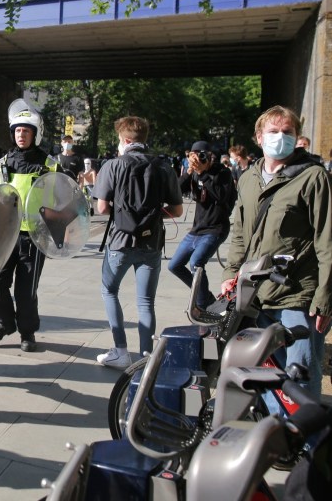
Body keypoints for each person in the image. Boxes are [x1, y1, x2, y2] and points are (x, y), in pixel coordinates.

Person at [221, 105, 331, 406]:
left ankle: (307, 447)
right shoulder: (248, 178)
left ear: (297, 137)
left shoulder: (313, 177)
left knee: (300, 378)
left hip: (297, 296)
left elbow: (327, 241)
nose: (280, 137)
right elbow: (241, 233)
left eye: (287, 132)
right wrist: (230, 274)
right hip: (255, 295)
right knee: (263, 378)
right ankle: (276, 444)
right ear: (259, 137)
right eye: (273, 131)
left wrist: (324, 298)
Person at [92, 116, 183, 369]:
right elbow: (177, 211)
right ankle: (145, 358)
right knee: (146, 302)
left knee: (109, 291)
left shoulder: (113, 165)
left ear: (126, 140)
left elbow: (101, 208)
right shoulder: (164, 167)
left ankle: (120, 350)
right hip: (151, 242)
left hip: (119, 242)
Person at [0, 100, 57, 351]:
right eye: (17, 130)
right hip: (5, 236)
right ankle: (4, 322)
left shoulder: (49, 165)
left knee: (26, 291)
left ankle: (27, 333)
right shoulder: (2, 163)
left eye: (26, 130)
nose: (21, 134)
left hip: (34, 237)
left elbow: (59, 202)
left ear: (35, 134)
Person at [167, 141, 236, 309]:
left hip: (215, 228)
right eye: (195, 155)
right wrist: (189, 171)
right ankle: (204, 296)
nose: (200, 159)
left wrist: (203, 174)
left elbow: (221, 196)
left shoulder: (222, 172)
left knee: (196, 263)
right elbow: (175, 190)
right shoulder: (194, 171)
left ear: (211, 156)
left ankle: (202, 304)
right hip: (197, 228)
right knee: (174, 265)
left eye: (202, 155)